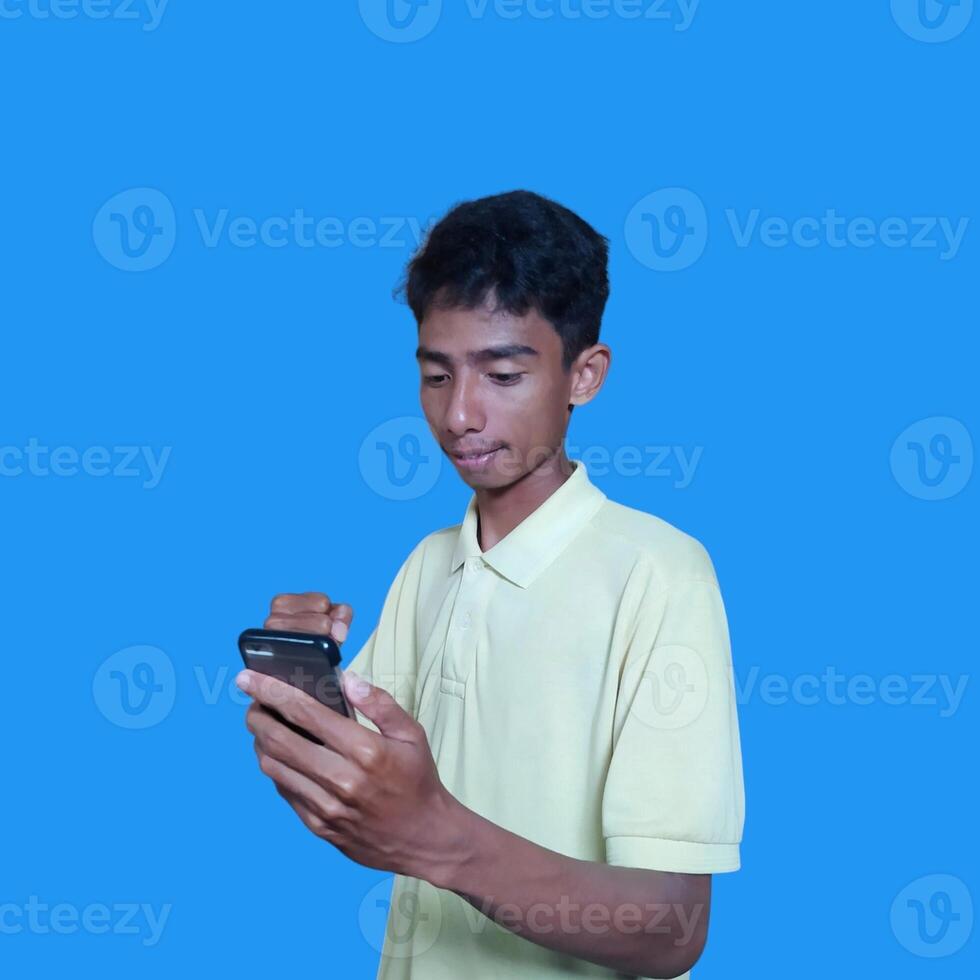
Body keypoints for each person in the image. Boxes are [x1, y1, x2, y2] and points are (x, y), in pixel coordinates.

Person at [236, 189, 745, 979]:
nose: (460, 414)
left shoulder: (659, 574)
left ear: (585, 374)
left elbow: (672, 928)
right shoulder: (430, 563)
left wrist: (439, 837)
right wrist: (302, 699)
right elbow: (363, 808)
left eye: (502, 373)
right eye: (436, 376)